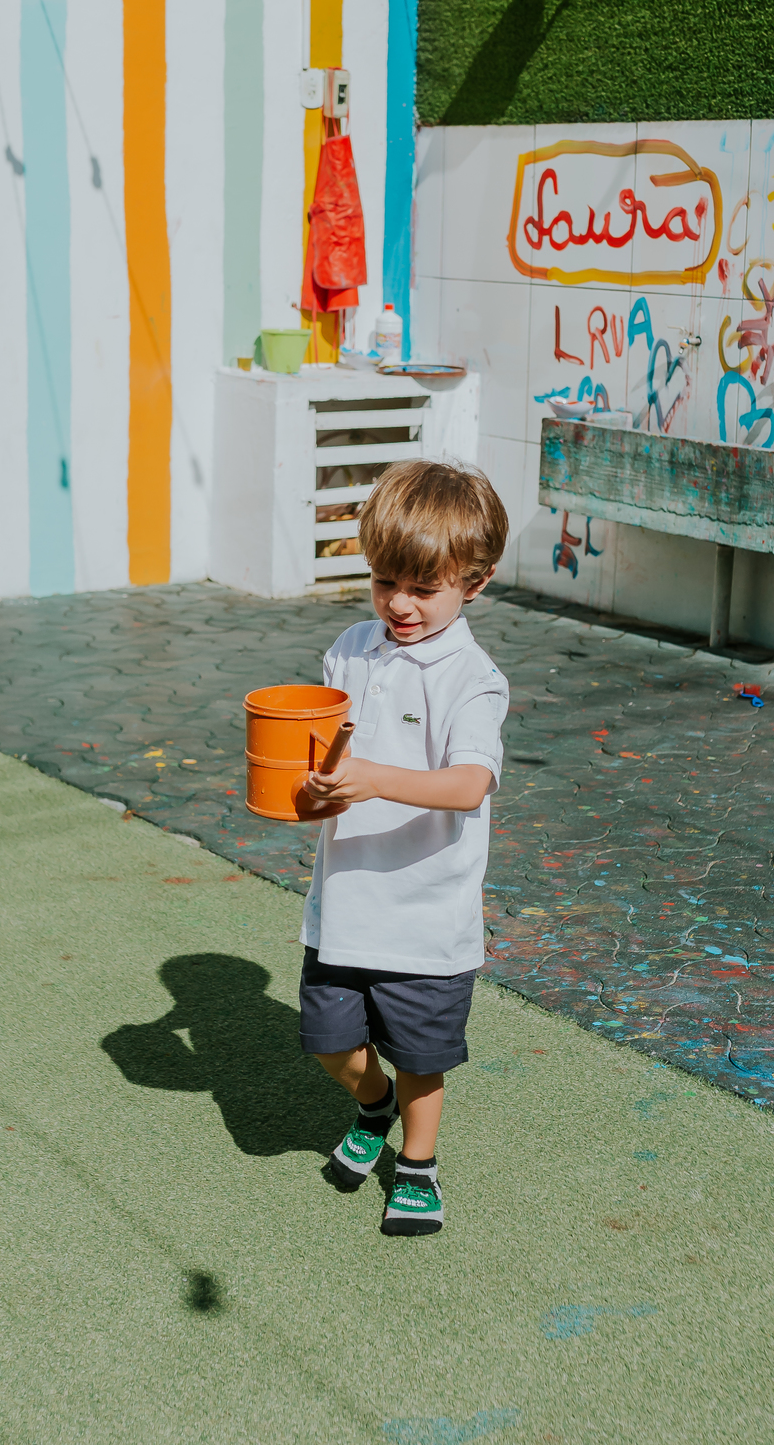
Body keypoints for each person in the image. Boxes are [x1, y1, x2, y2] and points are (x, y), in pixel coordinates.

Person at [298, 459, 509, 1237]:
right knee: (330, 1044)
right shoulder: (351, 648)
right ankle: (371, 1104)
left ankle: (418, 1167)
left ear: (474, 584)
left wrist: (374, 780)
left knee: (423, 1057)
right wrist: (314, 789)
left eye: (426, 588)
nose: (401, 604)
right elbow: (328, 755)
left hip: (426, 917)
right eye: (387, 581)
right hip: (347, 902)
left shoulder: (473, 678)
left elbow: (467, 785)